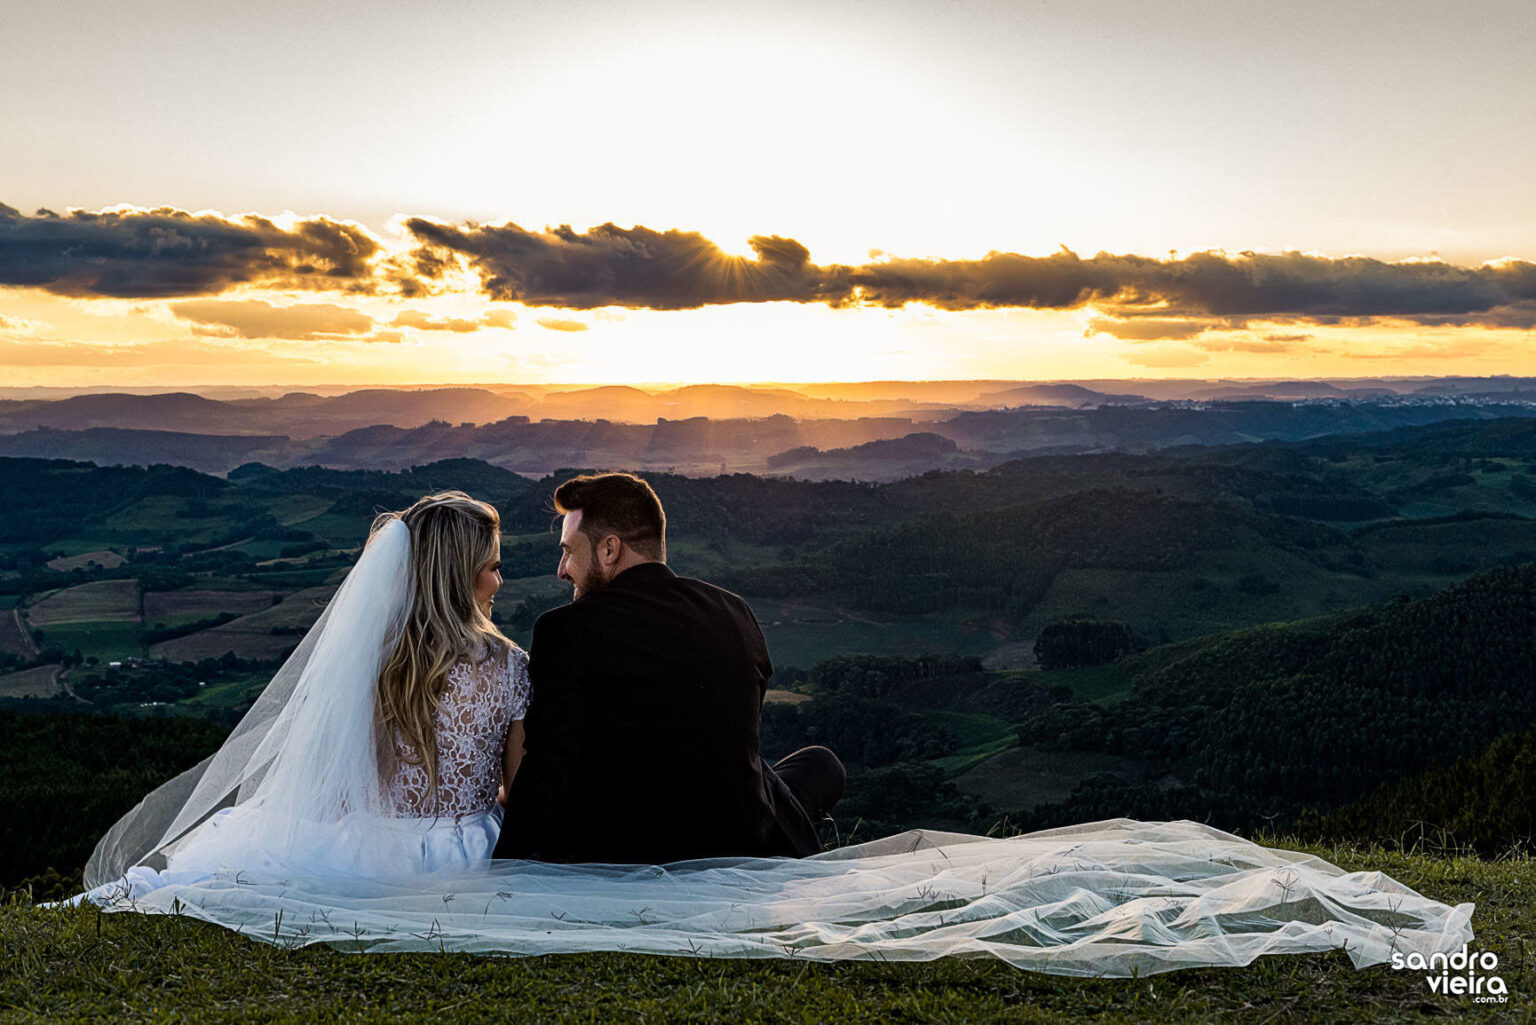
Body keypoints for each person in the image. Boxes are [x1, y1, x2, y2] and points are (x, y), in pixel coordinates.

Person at [78, 491, 528, 889]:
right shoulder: (509, 666)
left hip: (368, 851)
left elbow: (336, 787)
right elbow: (520, 788)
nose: (499, 582)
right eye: (493, 567)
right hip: (470, 854)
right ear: (458, 576)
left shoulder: (368, 657)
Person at [495, 472, 845, 864]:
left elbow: (549, 768)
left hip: (631, 842)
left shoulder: (565, 629)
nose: (562, 569)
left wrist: (509, 867)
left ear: (609, 549)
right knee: (820, 763)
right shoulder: (735, 612)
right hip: (739, 832)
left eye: (568, 551)